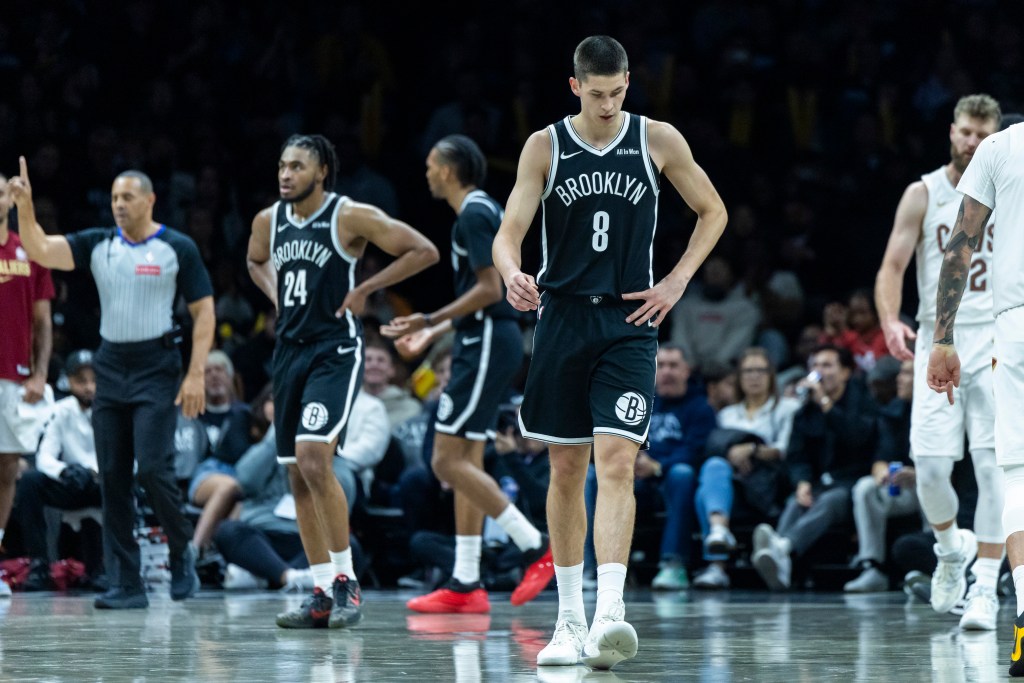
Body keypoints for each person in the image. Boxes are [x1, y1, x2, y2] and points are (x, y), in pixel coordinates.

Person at [492, 36, 727, 670]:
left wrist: (676, 282)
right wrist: (512, 273)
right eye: (596, 94)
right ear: (574, 87)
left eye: (617, 92)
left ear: (628, 83)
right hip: (562, 319)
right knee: (566, 470)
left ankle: (609, 616)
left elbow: (713, 211)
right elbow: (509, 231)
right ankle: (567, 621)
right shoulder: (545, 145)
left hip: (629, 322)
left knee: (617, 462)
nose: (607, 104)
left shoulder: (658, 138)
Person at [246, 134, 438, 629]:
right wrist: (276, 298)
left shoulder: (347, 215)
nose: (285, 174)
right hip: (288, 354)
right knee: (295, 473)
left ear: (322, 171)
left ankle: (346, 581)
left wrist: (368, 288)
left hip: (334, 353)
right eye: (282, 165)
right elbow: (254, 259)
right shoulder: (269, 221)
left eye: (297, 166)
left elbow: (424, 250)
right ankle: (319, 590)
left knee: (314, 456)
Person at [10, 159, 214, 609]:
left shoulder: (177, 247)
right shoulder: (99, 243)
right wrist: (24, 209)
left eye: (127, 198)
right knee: (114, 479)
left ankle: (183, 551)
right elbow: (40, 249)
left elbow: (204, 311)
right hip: (111, 365)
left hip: (157, 366)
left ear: (149, 200)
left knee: (154, 471)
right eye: (114, 198)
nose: (119, 205)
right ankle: (126, 583)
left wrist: (196, 371)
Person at [382, 134, 550, 615]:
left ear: (450, 170)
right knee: (467, 462)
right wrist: (435, 332)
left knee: (443, 461)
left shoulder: (475, 213)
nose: (428, 173)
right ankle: (466, 581)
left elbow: (489, 289)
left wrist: (430, 321)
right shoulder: (480, 210)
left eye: (433, 166)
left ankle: (533, 544)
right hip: (484, 339)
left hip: (485, 342)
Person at [875, 94, 1003, 629]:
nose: (972, 142)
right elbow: (893, 265)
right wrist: (889, 320)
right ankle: (951, 549)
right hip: (939, 337)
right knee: (928, 469)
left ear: (995, 138)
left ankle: (987, 591)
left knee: (996, 470)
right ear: (951, 131)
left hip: (999, 337)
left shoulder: (1010, 190)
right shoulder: (923, 192)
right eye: (965, 132)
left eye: (982, 134)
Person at [925, 114, 1024, 676]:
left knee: (1018, 475)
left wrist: (943, 338)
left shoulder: (999, 147)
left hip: (1014, 325)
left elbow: (960, 246)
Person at [752, 345, 877, 590]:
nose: (819, 372)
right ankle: (782, 562)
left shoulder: (862, 401)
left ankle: (782, 547)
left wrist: (825, 402)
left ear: (845, 373)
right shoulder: (805, 412)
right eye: (815, 366)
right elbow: (797, 456)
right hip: (820, 483)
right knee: (795, 503)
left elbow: (858, 437)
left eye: (827, 365)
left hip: (852, 485)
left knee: (830, 502)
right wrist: (802, 482)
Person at [699, 347, 800, 589]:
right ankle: (718, 534)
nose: (754, 376)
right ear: (739, 377)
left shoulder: (788, 408)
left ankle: (717, 565)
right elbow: (716, 450)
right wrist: (730, 453)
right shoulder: (727, 414)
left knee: (705, 493)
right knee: (712, 469)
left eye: (760, 370)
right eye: (748, 371)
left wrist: (751, 450)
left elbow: (785, 450)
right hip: (734, 486)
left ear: (771, 375)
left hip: (769, 487)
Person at [0, 170, 54, 600]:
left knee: (6, 469)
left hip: (14, 377)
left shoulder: (29, 251)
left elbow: (42, 321)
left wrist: (39, 372)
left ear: (12, 199)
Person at [12, 349, 101, 591]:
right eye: (81, 381)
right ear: (69, 381)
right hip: (71, 481)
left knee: (122, 487)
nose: (89, 387)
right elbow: (45, 457)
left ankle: (110, 569)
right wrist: (65, 472)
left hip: (101, 482)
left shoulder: (112, 412)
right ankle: (40, 565)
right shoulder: (60, 411)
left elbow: (129, 458)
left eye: (94, 380)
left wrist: (93, 471)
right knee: (30, 481)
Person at [843, 358, 920, 592]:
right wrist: (881, 473)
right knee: (865, 487)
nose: (899, 378)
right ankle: (872, 567)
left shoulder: (945, 410)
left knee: (933, 483)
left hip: (937, 484)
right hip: (903, 489)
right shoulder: (893, 411)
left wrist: (918, 474)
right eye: (900, 373)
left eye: (907, 373)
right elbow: (881, 456)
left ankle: (933, 566)